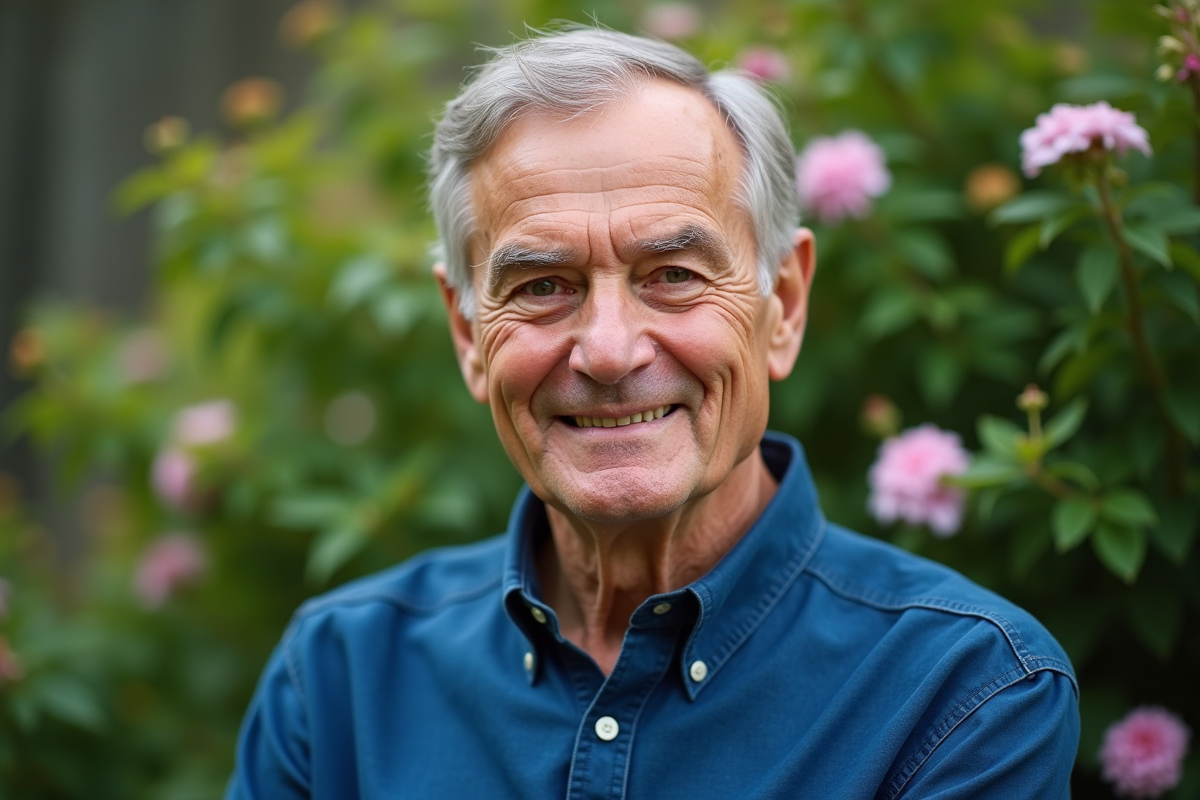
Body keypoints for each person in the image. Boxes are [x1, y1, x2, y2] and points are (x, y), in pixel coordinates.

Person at [227, 27, 1079, 799]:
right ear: (467, 333)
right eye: (544, 286)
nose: (607, 350)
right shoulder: (339, 683)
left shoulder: (965, 697)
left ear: (781, 305)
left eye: (672, 275)